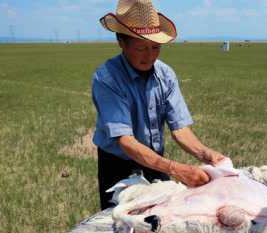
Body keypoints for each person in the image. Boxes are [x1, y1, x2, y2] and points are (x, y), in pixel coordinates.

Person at [93, 0, 225, 210]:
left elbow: (180, 129)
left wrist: (206, 154)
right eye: (141, 48)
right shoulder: (107, 78)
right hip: (118, 163)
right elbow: (125, 141)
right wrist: (175, 169)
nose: (150, 55)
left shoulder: (166, 74)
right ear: (121, 42)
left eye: (155, 47)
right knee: (119, 221)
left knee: (163, 219)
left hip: (155, 159)